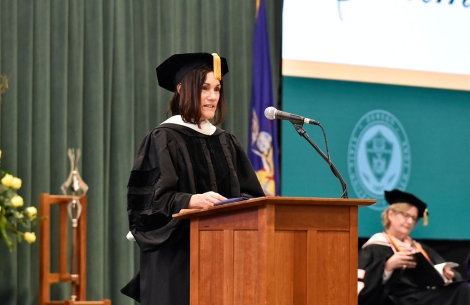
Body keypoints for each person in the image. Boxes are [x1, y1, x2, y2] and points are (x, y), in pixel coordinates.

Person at [120, 52, 265, 305]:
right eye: (204, 88)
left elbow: (253, 197)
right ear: (181, 89)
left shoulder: (227, 142)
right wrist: (191, 200)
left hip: (225, 259)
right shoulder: (162, 138)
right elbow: (146, 207)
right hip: (177, 263)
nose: (213, 97)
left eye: (217, 89)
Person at [358, 189, 470, 305]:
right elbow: (363, 289)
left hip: (422, 296)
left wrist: (446, 275)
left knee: (462, 289)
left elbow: (439, 273)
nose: (410, 221)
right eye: (406, 215)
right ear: (391, 214)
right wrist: (388, 267)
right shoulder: (376, 246)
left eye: (414, 218)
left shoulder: (418, 248)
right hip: (396, 299)